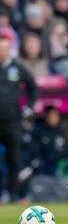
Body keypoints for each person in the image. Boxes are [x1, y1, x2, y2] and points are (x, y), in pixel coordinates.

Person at [0, 36, 39, 202]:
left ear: (10, 50)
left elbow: (34, 88)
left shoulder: (17, 68)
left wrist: (28, 107)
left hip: (13, 122)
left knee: (14, 161)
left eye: (5, 48)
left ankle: (14, 195)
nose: (2, 51)